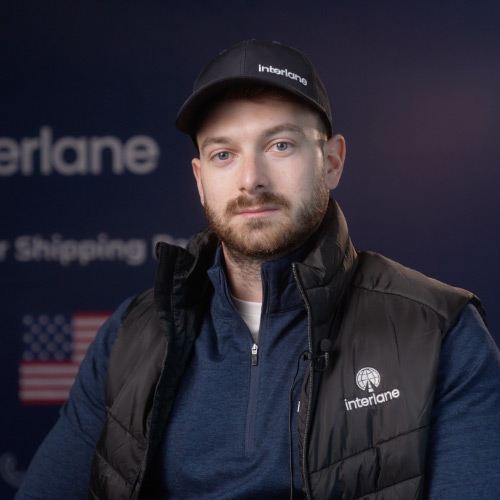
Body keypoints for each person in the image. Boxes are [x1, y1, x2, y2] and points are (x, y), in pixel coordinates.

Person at [15, 39, 500, 500]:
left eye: (280, 145)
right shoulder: (131, 336)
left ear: (332, 162)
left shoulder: (438, 329)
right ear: (200, 180)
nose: (251, 180)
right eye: (223, 154)